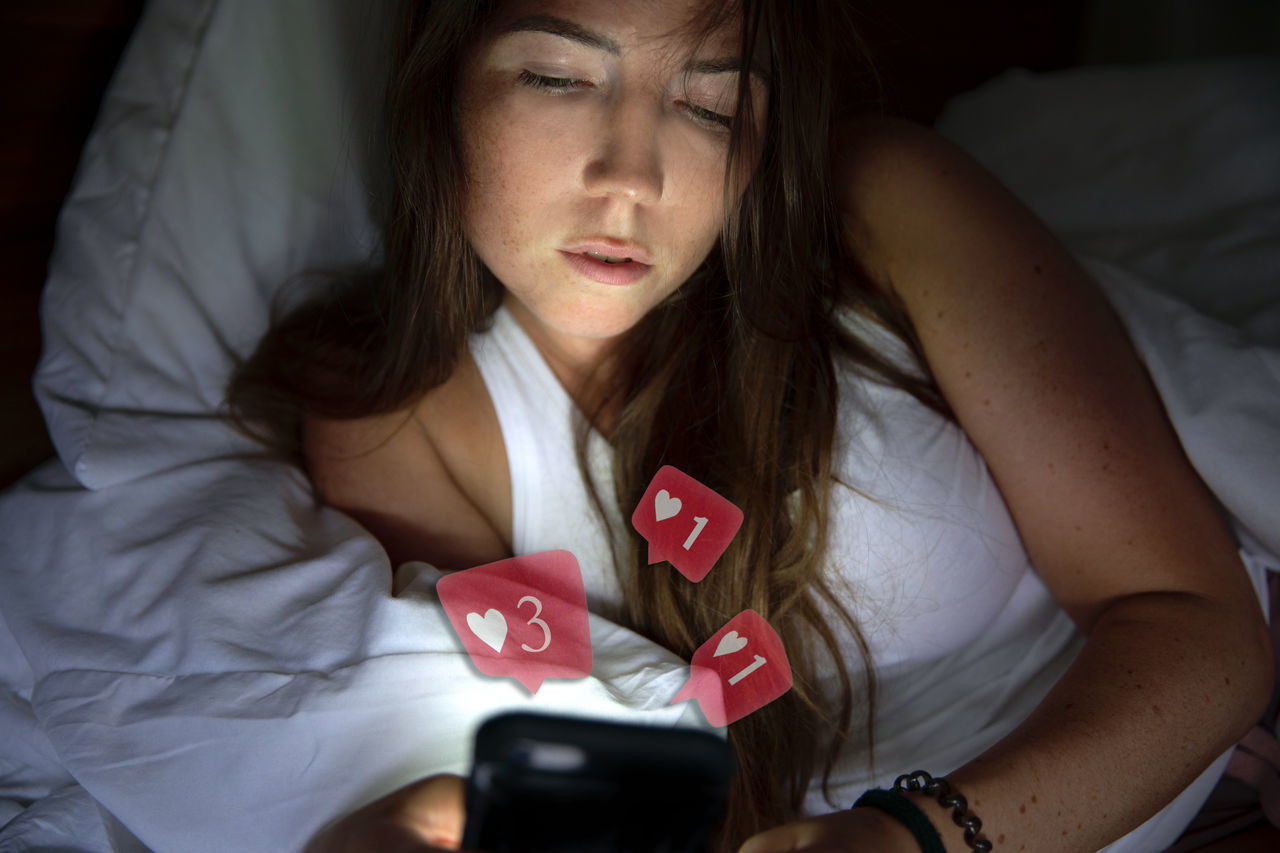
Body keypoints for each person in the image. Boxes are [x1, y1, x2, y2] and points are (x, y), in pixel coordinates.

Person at [227, 0, 1272, 851]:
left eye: (709, 108)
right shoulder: (398, 418)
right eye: (556, 77)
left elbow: (1196, 626)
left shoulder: (877, 208)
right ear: (440, 91)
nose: (630, 177)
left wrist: (912, 840)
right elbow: (539, 745)